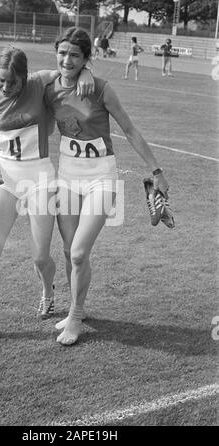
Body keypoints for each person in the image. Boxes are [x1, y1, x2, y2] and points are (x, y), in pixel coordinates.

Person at [0, 47, 94, 343]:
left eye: (11, 82)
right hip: (7, 179)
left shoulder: (38, 83)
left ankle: (48, 291)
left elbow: (69, 70)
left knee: (40, 258)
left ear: (24, 77)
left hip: (40, 179)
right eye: (0, 81)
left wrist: (87, 71)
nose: (5, 87)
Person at [45, 27, 169, 346]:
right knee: (69, 250)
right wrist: (81, 69)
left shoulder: (101, 89)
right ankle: (78, 309)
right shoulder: (49, 86)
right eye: (62, 53)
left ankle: (75, 316)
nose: (67, 59)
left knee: (78, 252)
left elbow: (129, 130)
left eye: (75, 55)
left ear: (87, 57)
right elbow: (32, 76)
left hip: (101, 178)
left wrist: (157, 171)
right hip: (67, 179)